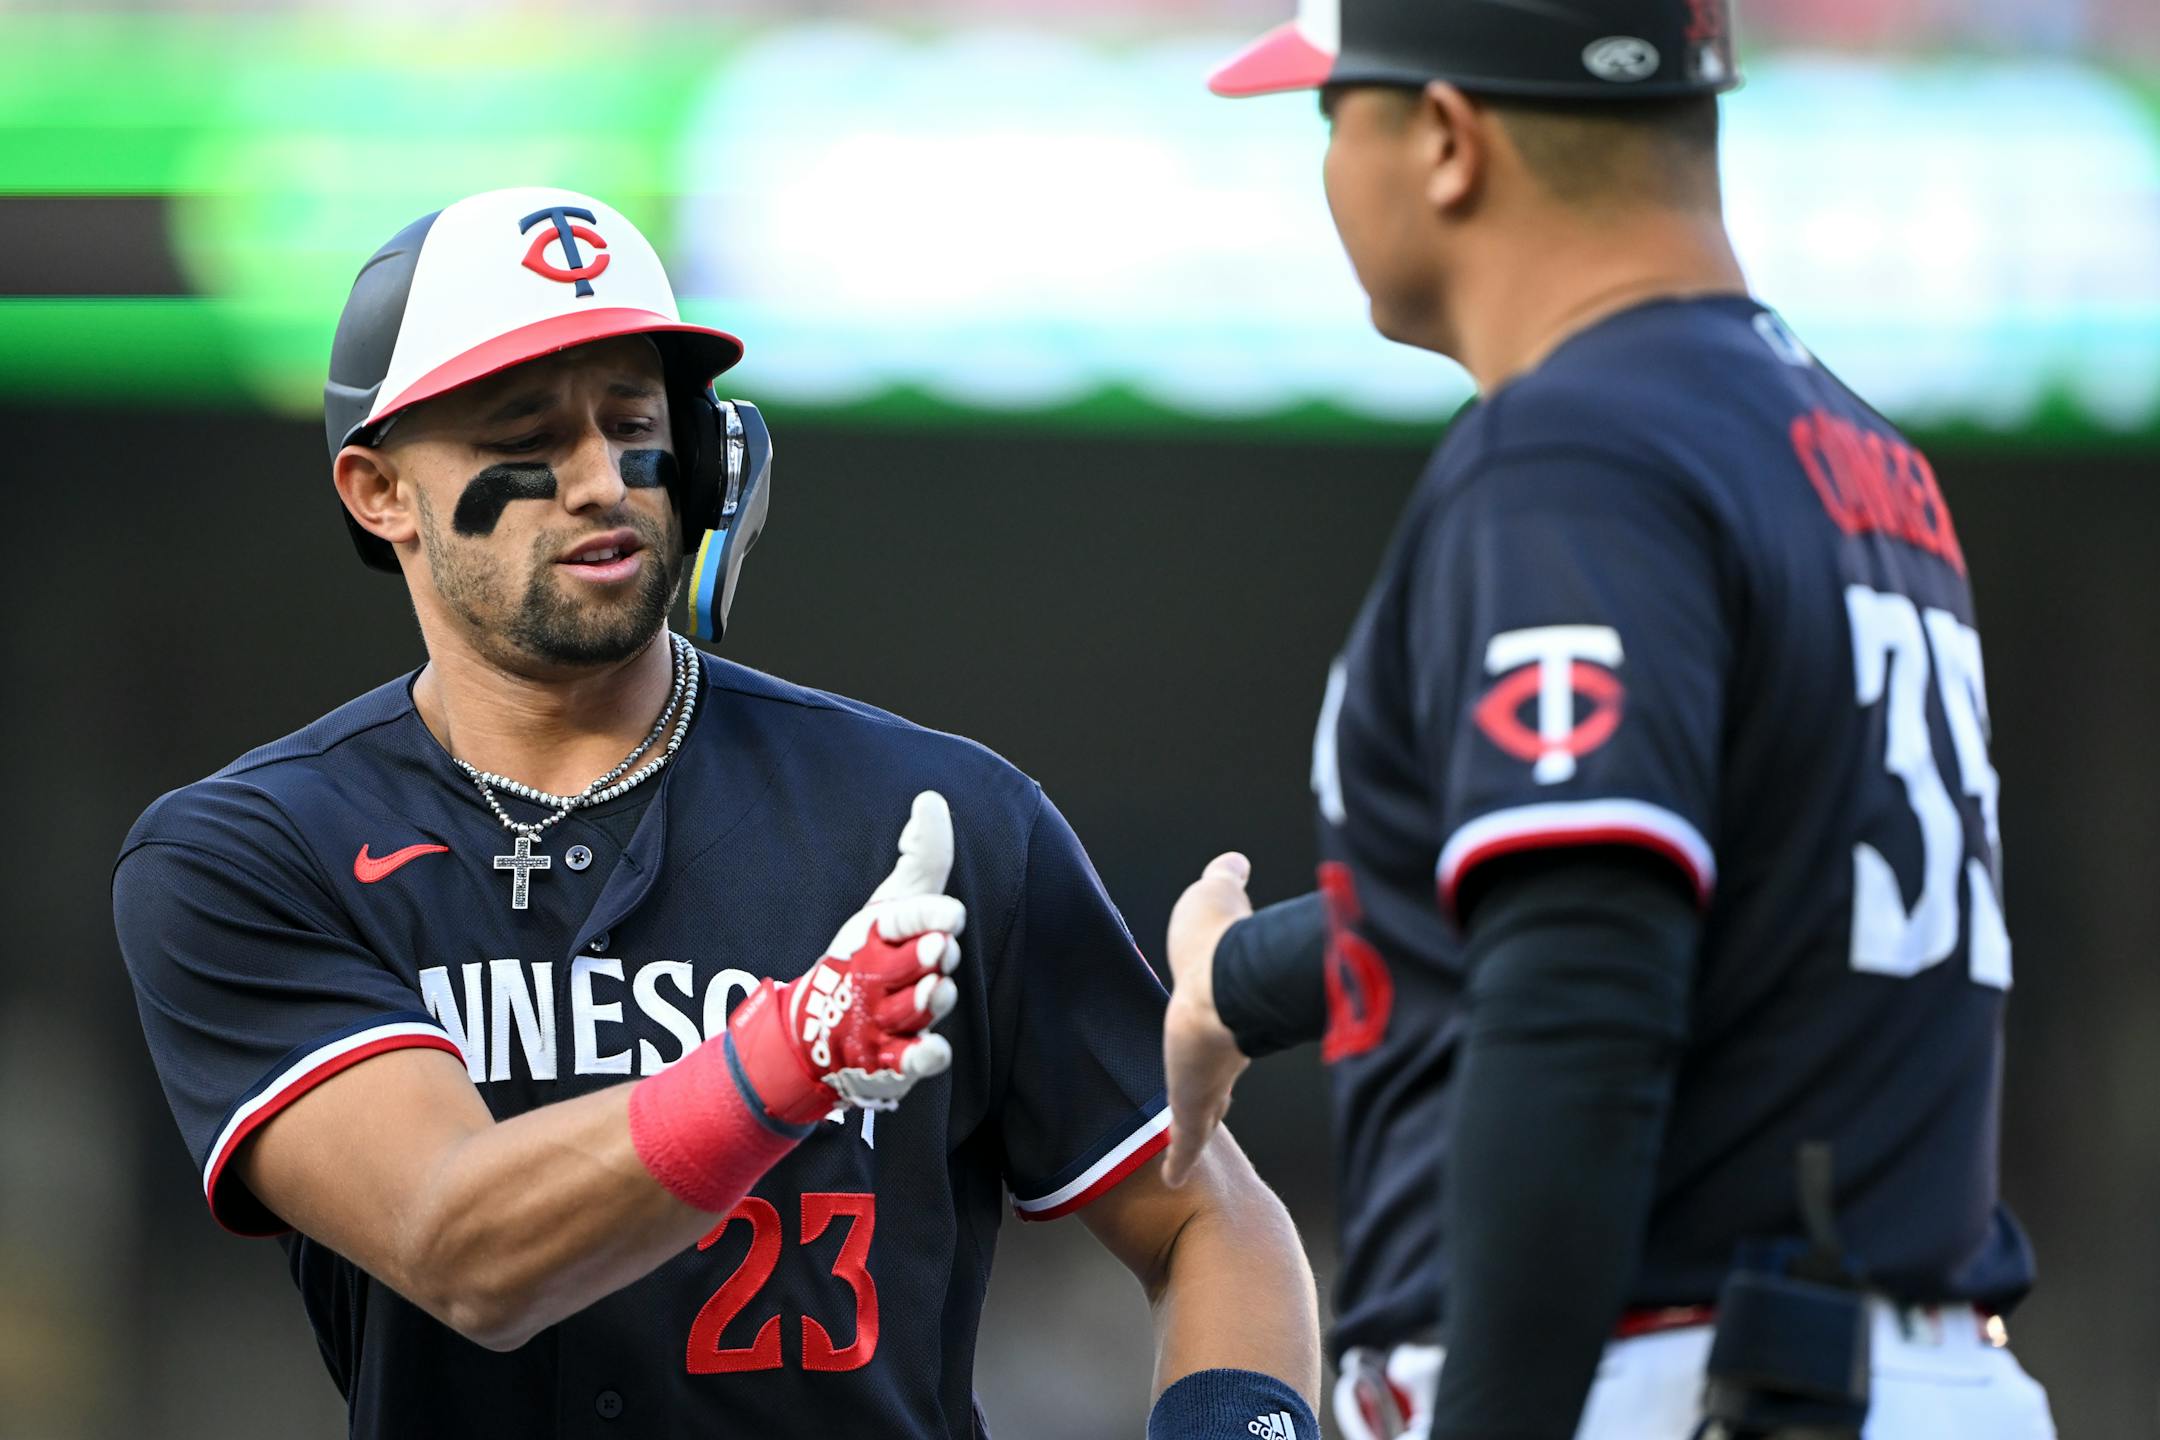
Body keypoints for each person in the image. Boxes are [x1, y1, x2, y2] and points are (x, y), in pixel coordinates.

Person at [114, 187, 1320, 1439]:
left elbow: (1207, 1218)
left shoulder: (937, 817)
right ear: (379, 492)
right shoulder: (250, 853)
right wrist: (792, 1052)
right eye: (526, 433)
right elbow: (462, 1246)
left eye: (632, 424)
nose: (598, 482)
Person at [1155, 3, 2058, 1437]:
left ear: (1445, 140)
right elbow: (1697, 887)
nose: (1327, 159)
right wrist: (1241, 985)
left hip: (1685, 1379)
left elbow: (1581, 994)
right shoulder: (1849, 449)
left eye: (1336, 113)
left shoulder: (1573, 447)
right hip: (1858, 1364)